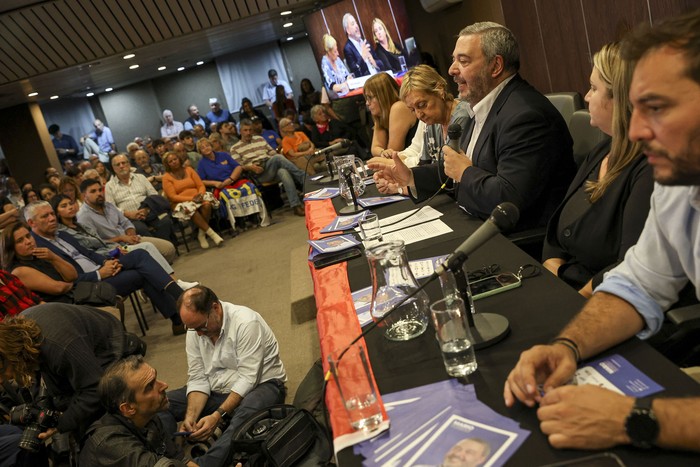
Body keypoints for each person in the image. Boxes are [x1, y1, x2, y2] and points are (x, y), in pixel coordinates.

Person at [504, 10, 700, 452]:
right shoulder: (680, 181)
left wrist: (636, 421)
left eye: (657, 109)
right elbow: (638, 285)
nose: (634, 131)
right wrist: (568, 345)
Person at [370, 22, 575, 231]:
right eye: (453, 60)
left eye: (463, 61)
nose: (451, 70)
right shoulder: (483, 106)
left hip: (514, 240)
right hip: (478, 221)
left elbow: (508, 200)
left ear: (495, 66)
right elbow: (456, 170)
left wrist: (465, 172)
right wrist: (411, 177)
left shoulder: (526, 116)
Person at [542, 42, 653, 298]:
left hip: (609, 301)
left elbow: (631, 265)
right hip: (567, 283)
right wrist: (552, 264)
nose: (587, 96)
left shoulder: (650, 169)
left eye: (594, 88)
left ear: (622, 99)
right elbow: (559, 225)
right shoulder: (602, 150)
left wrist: (575, 298)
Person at [160, 286, 287, 467]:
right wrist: (191, 416)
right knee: (159, 402)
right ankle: (173, 457)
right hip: (217, 390)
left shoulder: (246, 322)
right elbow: (197, 378)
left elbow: (248, 379)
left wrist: (217, 415)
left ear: (215, 308)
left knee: (243, 416)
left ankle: (204, 464)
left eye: (201, 326)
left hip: (262, 385)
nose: (198, 334)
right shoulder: (195, 330)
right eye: (192, 328)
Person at [24, 201, 187, 335]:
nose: (52, 218)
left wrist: (106, 262)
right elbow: (67, 281)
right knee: (142, 273)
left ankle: (179, 311)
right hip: (90, 286)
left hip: (103, 270)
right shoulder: (40, 249)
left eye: (52, 213)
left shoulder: (63, 234)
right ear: (31, 223)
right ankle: (180, 307)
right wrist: (99, 274)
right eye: (45, 216)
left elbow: (89, 253)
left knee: (140, 255)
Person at [0, 303, 144, 439]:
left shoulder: (60, 348)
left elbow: (95, 389)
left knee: (94, 429)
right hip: (82, 350)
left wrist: (61, 424)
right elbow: (38, 369)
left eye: (1, 374)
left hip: (113, 349)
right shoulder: (20, 333)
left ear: (13, 357)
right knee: (63, 404)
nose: (2, 380)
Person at [52, 194, 197, 291]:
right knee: (146, 248)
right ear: (56, 212)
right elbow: (91, 250)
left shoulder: (81, 225)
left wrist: (127, 235)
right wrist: (117, 246)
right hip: (107, 255)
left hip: (118, 246)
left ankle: (166, 282)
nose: (70, 207)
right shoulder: (66, 232)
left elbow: (123, 224)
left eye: (70, 203)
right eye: (63, 206)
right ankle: (174, 283)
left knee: (159, 247)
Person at [80, 356, 196, 466]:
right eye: (150, 386)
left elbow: (179, 459)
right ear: (128, 408)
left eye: (155, 379)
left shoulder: (148, 417)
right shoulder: (110, 444)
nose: (164, 385)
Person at [77, 179, 178, 264]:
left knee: (168, 249)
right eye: (93, 191)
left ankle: (159, 278)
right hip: (114, 250)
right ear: (84, 196)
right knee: (150, 254)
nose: (99, 193)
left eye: (100, 190)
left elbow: (125, 222)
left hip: (129, 240)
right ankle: (164, 280)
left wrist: (131, 235)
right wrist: (121, 238)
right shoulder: (83, 216)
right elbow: (95, 243)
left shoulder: (109, 206)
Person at [228, 119, 306, 217]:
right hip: (257, 172)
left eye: (250, 130)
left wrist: (273, 156)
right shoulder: (235, 148)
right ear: (240, 131)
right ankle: (304, 178)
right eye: (245, 130)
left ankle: (296, 206)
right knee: (278, 158)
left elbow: (271, 152)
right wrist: (251, 167)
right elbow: (239, 166)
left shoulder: (259, 139)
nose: (248, 133)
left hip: (269, 164)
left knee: (283, 171)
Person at [162, 150, 224, 249]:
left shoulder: (189, 169)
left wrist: (200, 195)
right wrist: (192, 199)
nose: (174, 162)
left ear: (179, 159)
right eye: (170, 161)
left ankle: (201, 233)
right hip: (180, 202)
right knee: (191, 210)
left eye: (175, 159)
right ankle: (213, 235)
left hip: (198, 196)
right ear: (167, 164)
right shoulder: (166, 177)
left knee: (207, 204)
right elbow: (172, 196)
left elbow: (200, 185)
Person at [105, 154, 175, 242]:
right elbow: (111, 208)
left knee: (165, 221)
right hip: (129, 218)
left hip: (149, 212)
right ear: (113, 168)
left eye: (123, 163)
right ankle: (156, 250)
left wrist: (146, 209)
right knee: (140, 229)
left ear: (129, 164)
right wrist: (128, 213)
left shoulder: (141, 178)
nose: (121, 166)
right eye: (118, 164)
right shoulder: (109, 186)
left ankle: (164, 246)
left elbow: (153, 195)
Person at [1, 222, 77, 303]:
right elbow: (58, 288)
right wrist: (72, 285)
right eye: (20, 241)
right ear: (11, 248)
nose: (28, 241)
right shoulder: (19, 271)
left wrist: (54, 258)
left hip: (74, 297)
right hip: (60, 306)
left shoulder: (41, 254)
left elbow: (72, 276)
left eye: (28, 236)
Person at [364, 72, 418, 158]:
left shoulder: (399, 107)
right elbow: (375, 148)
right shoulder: (381, 116)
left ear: (383, 96)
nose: (367, 103)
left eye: (370, 97)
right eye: (366, 98)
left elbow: (393, 152)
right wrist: (382, 152)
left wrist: (384, 153)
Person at [342, 13, 383, 78]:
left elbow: (381, 63)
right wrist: (362, 57)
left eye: (356, 23)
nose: (356, 26)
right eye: (353, 24)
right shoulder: (348, 49)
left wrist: (374, 62)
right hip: (367, 83)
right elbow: (355, 72)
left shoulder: (365, 42)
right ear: (348, 31)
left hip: (378, 76)